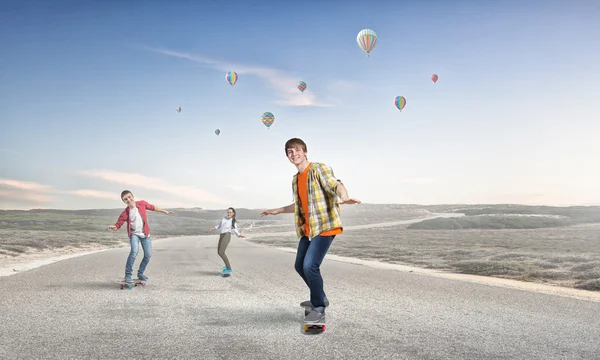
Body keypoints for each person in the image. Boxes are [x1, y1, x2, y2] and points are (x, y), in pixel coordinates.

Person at [260, 138, 361, 324]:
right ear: (287, 157)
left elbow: (335, 184)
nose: (294, 154)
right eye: (289, 152)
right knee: (299, 266)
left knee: (309, 266)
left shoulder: (318, 168)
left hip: (325, 225)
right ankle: (320, 296)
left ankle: (319, 308)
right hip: (308, 229)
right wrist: (277, 210)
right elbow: (299, 205)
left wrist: (344, 197)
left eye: (297, 150)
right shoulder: (295, 179)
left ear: (305, 152)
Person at [107, 190, 174, 283]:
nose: (128, 200)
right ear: (124, 201)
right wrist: (114, 227)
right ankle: (128, 275)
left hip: (145, 234)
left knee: (148, 255)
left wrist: (164, 211)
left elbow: (153, 207)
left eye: (129, 197)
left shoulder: (142, 204)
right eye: (125, 199)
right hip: (134, 234)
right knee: (134, 252)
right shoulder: (125, 213)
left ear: (133, 196)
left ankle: (140, 273)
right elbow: (118, 225)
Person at [206, 207, 246, 276]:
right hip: (221, 235)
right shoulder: (224, 218)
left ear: (233, 213)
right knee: (219, 252)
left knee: (221, 252)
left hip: (227, 236)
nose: (229, 213)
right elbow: (219, 225)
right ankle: (226, 266)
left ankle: (229, 268)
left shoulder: (233, 221)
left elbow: (236, 230)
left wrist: (239, 235)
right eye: (228, 212)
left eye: (230, 212)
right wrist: (211, 229)